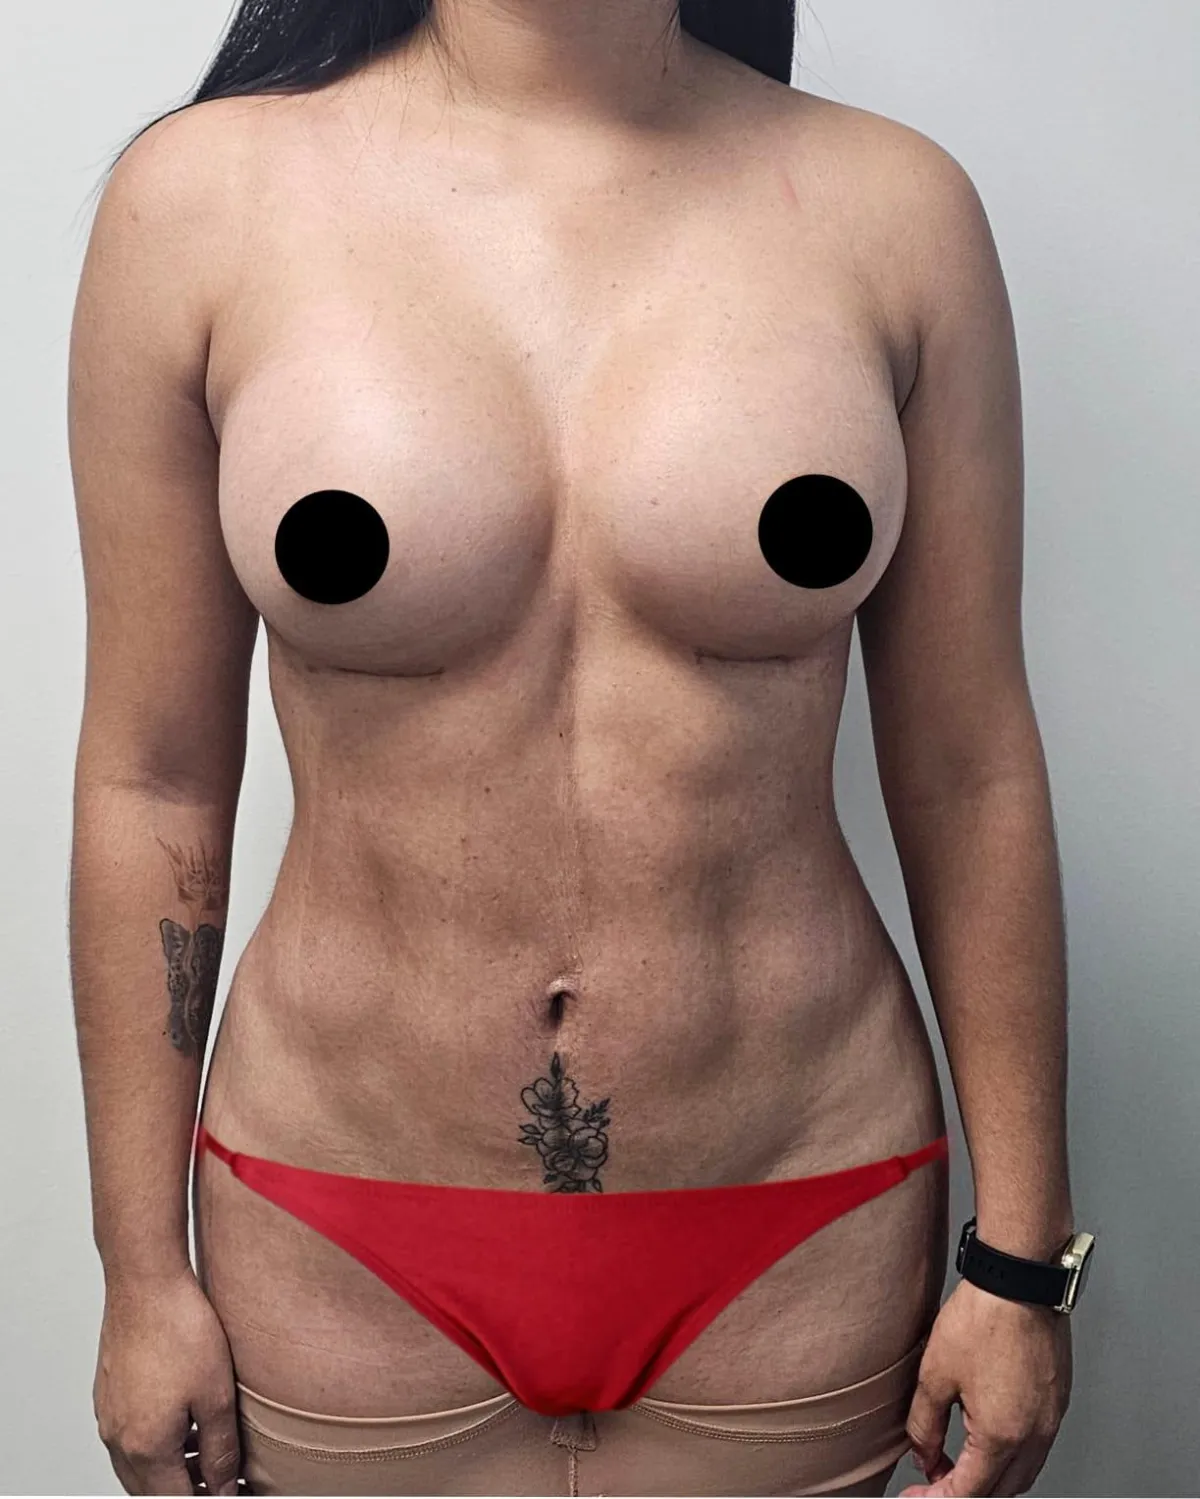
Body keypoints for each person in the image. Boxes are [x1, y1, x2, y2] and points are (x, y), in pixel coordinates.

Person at [68, 1, 1093, 1494]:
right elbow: (151, 777)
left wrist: (1023, 1259)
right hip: (333, 1218)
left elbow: (970, 769)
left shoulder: (895, 211)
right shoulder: (197, 204)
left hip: (801, 1208)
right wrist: (139, 1269)